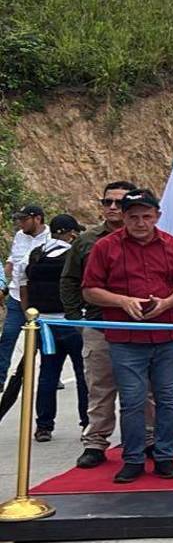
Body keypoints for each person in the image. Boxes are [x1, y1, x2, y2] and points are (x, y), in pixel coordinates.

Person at [81, 189, 173, 483]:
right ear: (124, 217)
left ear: (157, 216)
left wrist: (166, 303)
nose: (140, 223)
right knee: (131, 400)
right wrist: (122, 301)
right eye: (133, 217)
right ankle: (132, 458)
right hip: (125, 338)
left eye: (146, 216)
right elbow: (89, 290)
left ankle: (165, 456)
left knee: (168, 399)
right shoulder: (105, 247)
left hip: (166, 335)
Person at [61, 179, 156, 469]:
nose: (113, 207)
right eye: (107, 202)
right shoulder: (87, 241)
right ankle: (96, 442)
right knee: (100, 386)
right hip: (100, 324)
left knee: (145, 388)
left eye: (119, 202)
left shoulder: (152, 238)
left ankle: (148, 439)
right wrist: (77, 319)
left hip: (142, 326)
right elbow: (70, 280)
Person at [17, 214, 87, 439]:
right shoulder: (75, 256)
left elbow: (23, 286)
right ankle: (87, 425)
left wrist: (30, 316)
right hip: (74, 324)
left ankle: (44, 426)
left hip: (44, 324)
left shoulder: (34, 255)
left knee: (47, 375)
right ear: (72, 234)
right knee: (84, 376)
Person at [0, 206, 51, 390]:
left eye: (24, 219)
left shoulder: (50, 238)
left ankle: (50, 374)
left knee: (42, 340)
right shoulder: (20, 236)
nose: (20, 223)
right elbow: (11, 262)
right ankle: (0, 378)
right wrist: (4, 286)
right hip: (16, 296)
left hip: (38, 298)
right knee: (8, 337)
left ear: (37, 218)